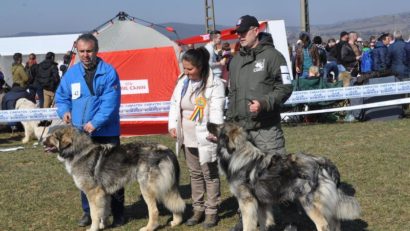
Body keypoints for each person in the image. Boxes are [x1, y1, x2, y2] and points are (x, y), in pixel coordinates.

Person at [225, 15, 293, 231]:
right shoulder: (235, 61)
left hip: (266, 130)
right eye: (238, 33)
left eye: (244, 32)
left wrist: (264, 103)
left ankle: (283, 220)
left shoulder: (274, 56)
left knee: (276, 177)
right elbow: (233, 96)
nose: (240, 36)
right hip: (242, 134)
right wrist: (228, 128)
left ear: (256, 30)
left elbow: (286, 87)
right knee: (244, 179)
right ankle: (248, 218)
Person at [55, 33, 124, 228]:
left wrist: (95, 122)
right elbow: (61, 97)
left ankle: (117, 213)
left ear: (96, 51)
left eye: (90, 51)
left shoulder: (109, 72)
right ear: (77, 51)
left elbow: (110, 103)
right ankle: (89, 213)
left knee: (114, 175)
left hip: (106, 131)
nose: (86, 55)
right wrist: (65, 111)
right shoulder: (71, 74)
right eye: (82, 51)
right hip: (81, 135)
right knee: (84, 175)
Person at [168, 47, 225, 228]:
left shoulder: (215, 84)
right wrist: (172, 125)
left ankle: (211, 210)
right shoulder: (182, 81)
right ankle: (198, 208)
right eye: (184, 68)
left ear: (200, 66)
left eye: (189, 69)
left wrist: (214, 131)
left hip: (206, 136)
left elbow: (216, 109)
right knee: (194, 174)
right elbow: (174, 104)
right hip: (187, 136)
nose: (186, 72)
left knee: (210, 174)